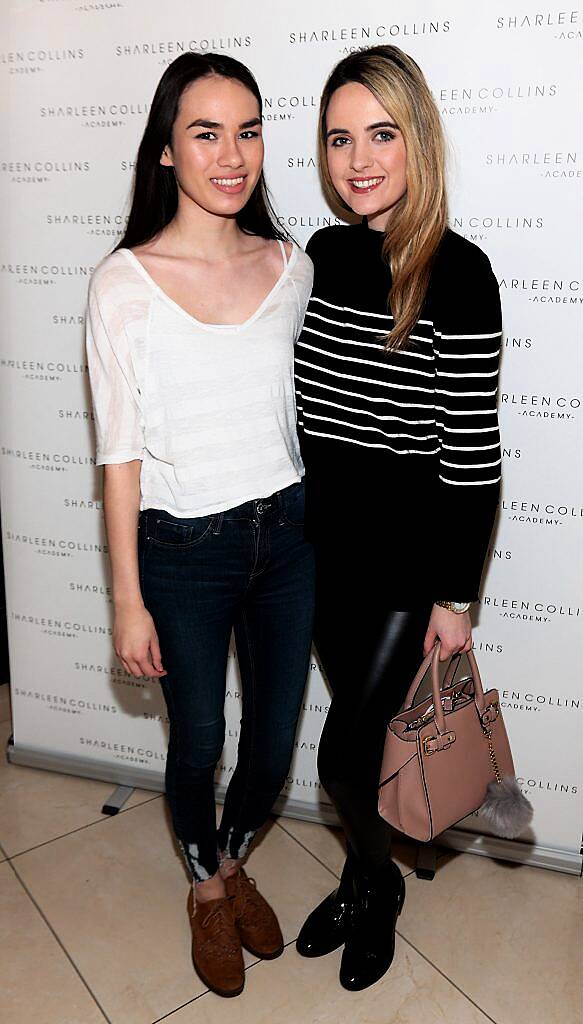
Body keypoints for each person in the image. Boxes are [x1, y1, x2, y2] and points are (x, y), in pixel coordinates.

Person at [85, 52, 315, 999]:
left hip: (290, 537)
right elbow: (119, 455)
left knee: (269, 745)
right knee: (196, 741)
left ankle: (225, 857)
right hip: (180, 552)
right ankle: (206, 889)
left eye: (249, 129)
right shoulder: (124, 282)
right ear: (168, 151)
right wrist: (126, 602)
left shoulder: (291, 265)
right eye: (206, 132)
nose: (232, 154)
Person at [294, 45, 502, 991]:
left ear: (415, 140)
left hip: (402, 571)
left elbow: (471, 459)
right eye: (340, 138)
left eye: (380, 133)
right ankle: (365, 871)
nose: (357, 159)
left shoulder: (459, 274)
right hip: (317, 554)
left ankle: (374, 888)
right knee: (362, 738)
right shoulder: (323, 254)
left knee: (343, 751)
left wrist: (454, 597)